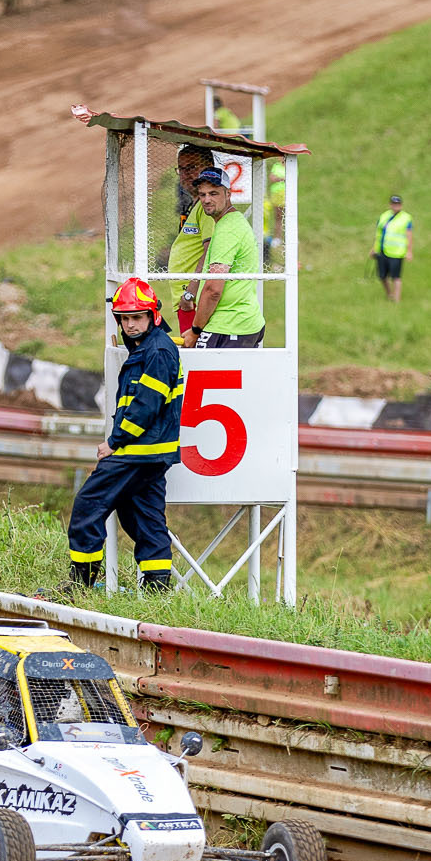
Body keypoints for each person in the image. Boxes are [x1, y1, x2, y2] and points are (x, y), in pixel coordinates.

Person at [66, 278, 181, 590]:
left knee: (89, 504)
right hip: (152, 453)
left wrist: (114, 443)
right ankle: (158, 588)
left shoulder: (158, 351)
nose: (130, 325)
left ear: (153, 316)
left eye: (137, 317)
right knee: (144, 517)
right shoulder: (150, 347)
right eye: (124, 318)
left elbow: (146, 406)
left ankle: (81, 584)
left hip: (138, 451)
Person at [185, 168, 265, 349]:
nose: (206, 200)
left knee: (200, 369)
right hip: (239, 323)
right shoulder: (231, 223)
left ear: (228, 194)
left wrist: (195, 330)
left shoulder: (227, 230)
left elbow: (213, 289)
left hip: (228, 325)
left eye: (213, 193)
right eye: (202, 194)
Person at [168, 146, 216, 337]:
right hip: (188, 298)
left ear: (209, 167)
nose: (186, 173)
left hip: (194, 299)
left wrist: (191, 291)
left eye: (192, 167)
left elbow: (211, 249)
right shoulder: (195, 205)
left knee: (195, 352)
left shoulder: (207, 207)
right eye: (181, 168)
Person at [372, 193, 413, 303]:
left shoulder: (406, 218)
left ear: (401, 205)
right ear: (390, 205)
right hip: (382, 250)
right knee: (382, 276)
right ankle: (389, 294)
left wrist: (409, 251)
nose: (396, 206)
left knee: (396, 277)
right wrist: (374, 248)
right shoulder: (384, 216)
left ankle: (396, 300)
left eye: (398, 204)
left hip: (397, 252)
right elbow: (378, 233)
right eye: (394, 204)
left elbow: (409, 236)